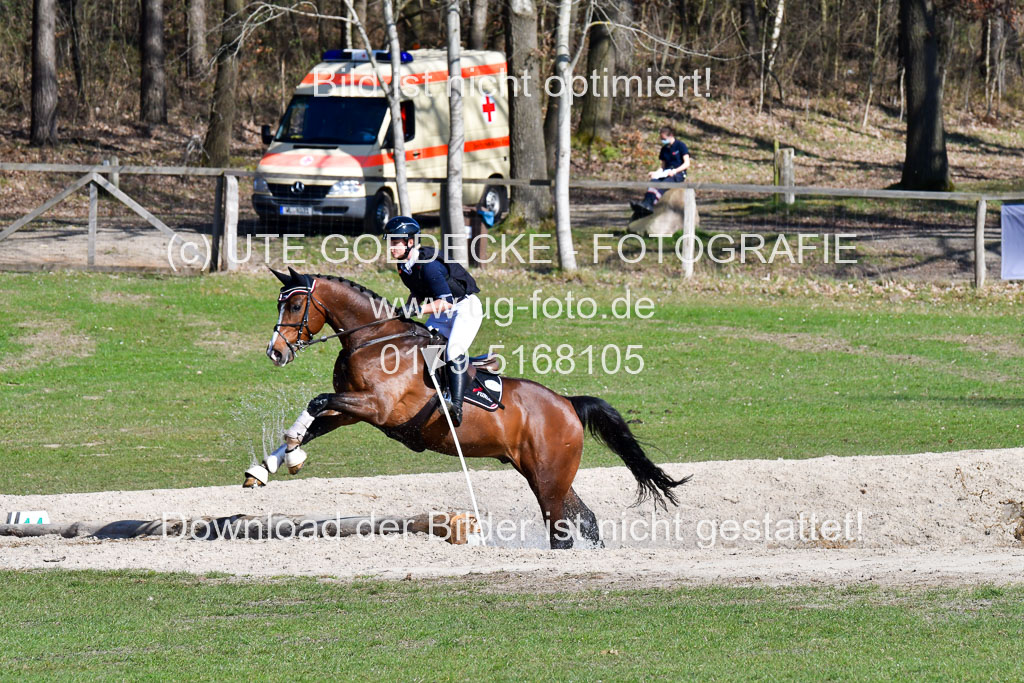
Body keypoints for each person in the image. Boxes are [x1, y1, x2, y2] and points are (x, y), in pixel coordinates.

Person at [385, 215, 483, 427]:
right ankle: (438, 390)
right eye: (390, 242)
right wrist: (407, 309)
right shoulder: (404, 265)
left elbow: (446, 302)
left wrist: (417, 310)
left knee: (453, 351)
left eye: (395, 242)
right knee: (424, 346)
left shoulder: (429, 266)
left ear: (410, 242)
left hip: (464, 308)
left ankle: (455, 406)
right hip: (442, 311)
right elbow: (418, 292)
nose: (391, 247)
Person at [630, 126, 690, 219]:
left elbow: (686, 164)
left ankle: (651, 204)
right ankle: (645, 203)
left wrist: (675, 171)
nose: (663, 141)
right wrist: (656, 173)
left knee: (662, 185)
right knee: (654, 181)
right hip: (666, 172)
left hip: (678, 173)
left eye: (664, 139)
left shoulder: (681, 146)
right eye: (661, 139)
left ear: (671, 136)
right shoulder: (664, 149)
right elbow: (663, 166)